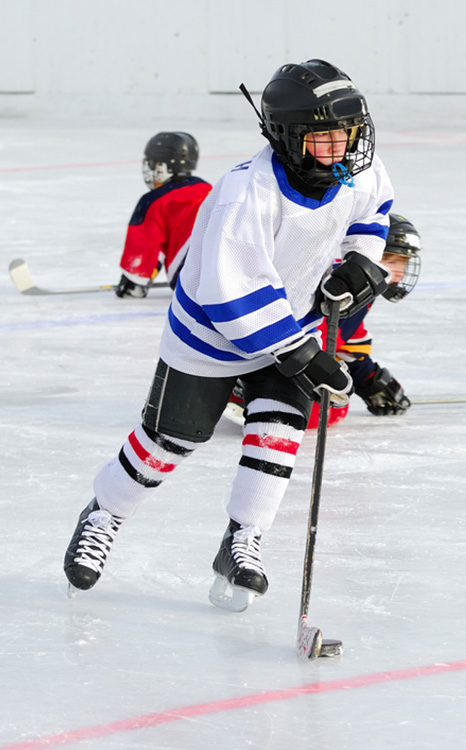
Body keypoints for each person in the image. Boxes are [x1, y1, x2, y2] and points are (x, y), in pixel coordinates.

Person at [64, 59, 394, 613]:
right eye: (325, 136)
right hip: (209, 336)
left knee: (279, 435)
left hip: (291, 326)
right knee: (167, 445)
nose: (343, 146)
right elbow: (234, 294)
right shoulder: (248, 193)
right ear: (289, 138)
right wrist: (301, 351)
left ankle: (244, 539)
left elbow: (373, 211)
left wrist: (361, 263)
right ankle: (103, 513)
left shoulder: (356, 168)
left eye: (350, 132)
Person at [224, 213, 422, 428]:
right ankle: (250, 389)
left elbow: (345, 342)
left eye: (403, 263)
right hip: (275, 352)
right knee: (324, 410)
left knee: (333, 403)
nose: (400, 273)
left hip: (292, 355)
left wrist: (372, 381)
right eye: (392, 261)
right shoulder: (338, 285)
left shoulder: (362, 293)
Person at [115, 132, 212, 298]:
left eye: (153, 164)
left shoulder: (154, 202)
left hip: (194, 287)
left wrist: (131, 284)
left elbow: (143, 251)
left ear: (164, 166)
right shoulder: (210, 190)